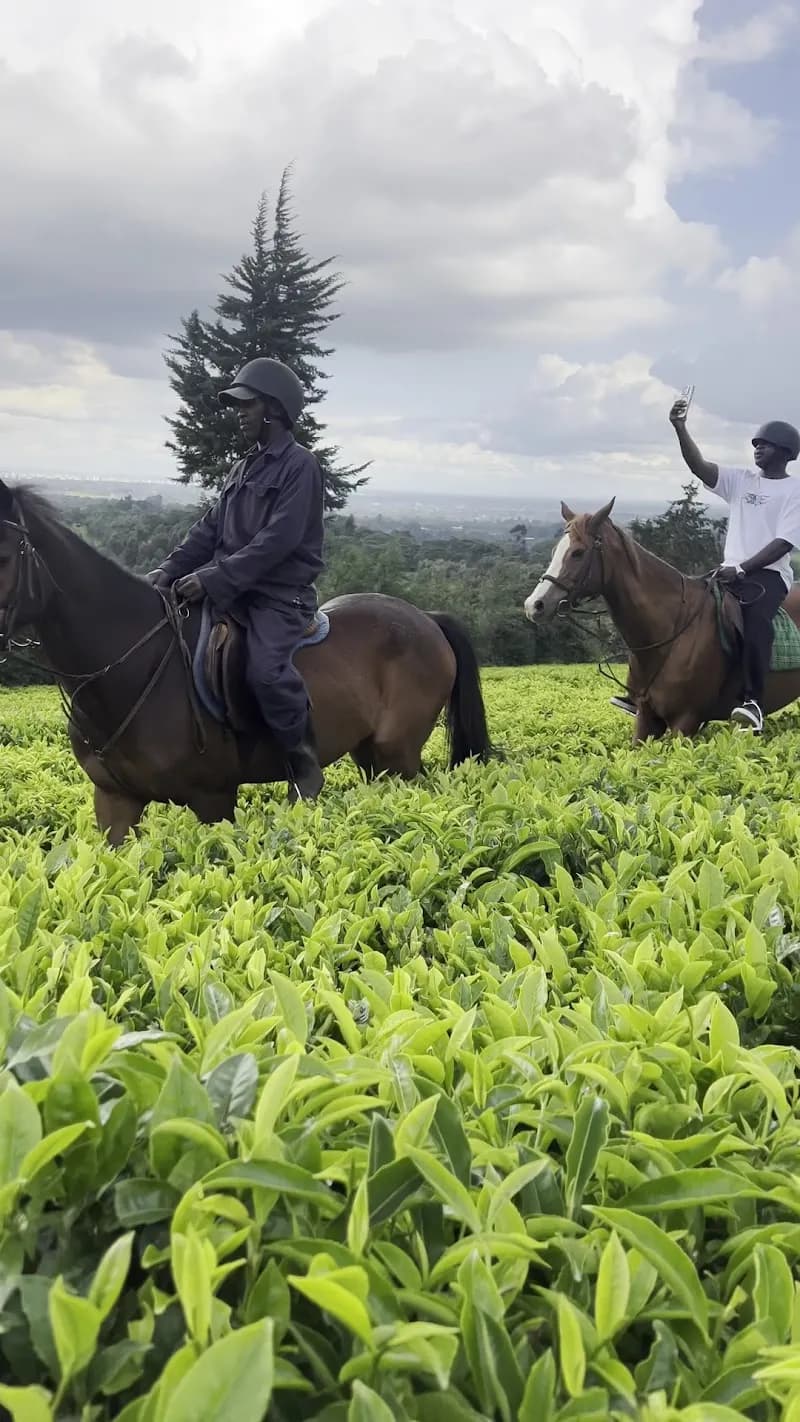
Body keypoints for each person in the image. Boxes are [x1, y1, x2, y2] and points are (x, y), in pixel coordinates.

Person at [149, 356, 325, 797]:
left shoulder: (300, 466)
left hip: (277, 597)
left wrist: (213, 578)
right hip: (232, 589)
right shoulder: (243, 466)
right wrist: (170, 570)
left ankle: (303, 762)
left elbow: (278, 540)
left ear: (274, 409)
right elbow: (209, 528)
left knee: (266, 671)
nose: (239, 413)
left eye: (247, 404)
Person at [611, 400, 800, 732]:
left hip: (768, 576)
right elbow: (698, 465)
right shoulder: (741, 480)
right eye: (756, 444)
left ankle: (753, 702)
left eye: (765, 445)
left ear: (785, 451)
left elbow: (784, 542)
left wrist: (743, 569)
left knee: (756, 623)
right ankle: (641, 690)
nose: (757, 449)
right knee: (677, 611)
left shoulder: (794, 490)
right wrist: (680, 428)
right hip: (728, 572)